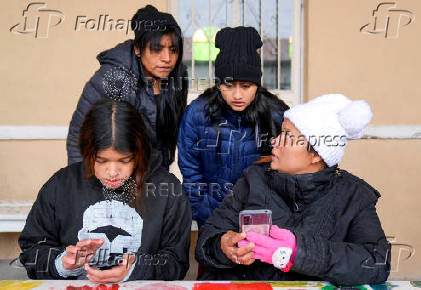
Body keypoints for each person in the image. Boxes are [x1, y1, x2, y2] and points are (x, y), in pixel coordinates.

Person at [195, 94, 391, 286]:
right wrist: (222, 247)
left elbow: (377, 262)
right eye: (280, 133)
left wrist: (299, 252)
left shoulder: (354, 195)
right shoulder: (253, 180)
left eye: (287, 136)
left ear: (316, 154)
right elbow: (206, 239)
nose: (274, 141)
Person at [19, 99, 191, 282]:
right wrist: (62, 263)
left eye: (124, 161)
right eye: (101, 160)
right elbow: (32, 251)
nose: (112, 172)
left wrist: (135, 270)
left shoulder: (168, 190)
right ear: (87, 152)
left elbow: (176, 262)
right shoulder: (61, 185)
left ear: (140, 153)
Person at [177, 26, 289, 227]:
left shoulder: (276, 115)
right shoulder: (197, 113)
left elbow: (287, 169)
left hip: (262, 217)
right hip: (213, 215)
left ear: (257, 85)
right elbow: (190, 169)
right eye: (229, 86)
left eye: (246, 86)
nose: (237, 95)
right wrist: (202, 210)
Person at [67, 4, 188, 169]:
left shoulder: (177, 79)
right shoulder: (115, 77)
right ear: (138, 49)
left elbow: (166, 141)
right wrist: (82, 185)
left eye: (173, 50)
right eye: (157, 49)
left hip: (152, 177)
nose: (167, 58)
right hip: (113, 175)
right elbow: (79, 136)